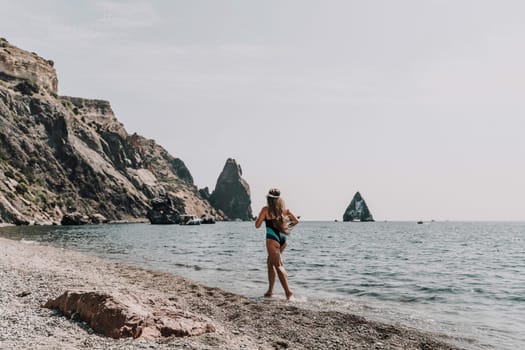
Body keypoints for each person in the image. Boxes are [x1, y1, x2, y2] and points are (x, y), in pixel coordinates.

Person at [255, 188, 299, 300]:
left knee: (278, 265)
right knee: (270, 263)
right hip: (282, 239)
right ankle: (270, 291)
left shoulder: (265, 210)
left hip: (272, 239)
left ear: (268, 199)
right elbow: (296, 221)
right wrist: (285, 227)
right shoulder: (284, 210)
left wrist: (260, 217)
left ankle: (289, 293)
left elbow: (257, 225)